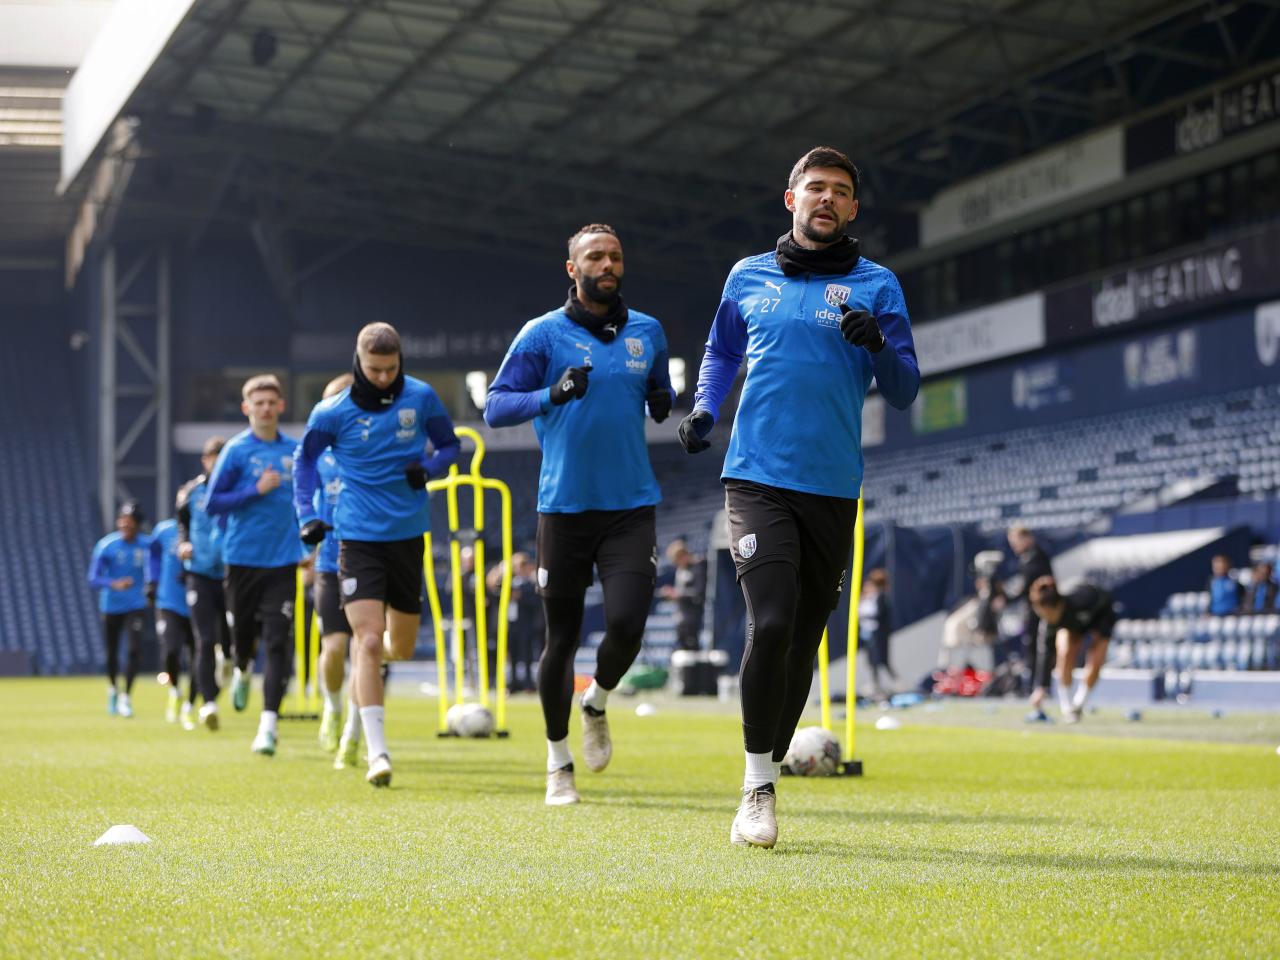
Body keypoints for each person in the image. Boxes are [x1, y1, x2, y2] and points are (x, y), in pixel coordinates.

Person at [678, 146, 919, 848]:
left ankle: (770, 757)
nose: (827, 199)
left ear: (853, 208)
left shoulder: (879, 285)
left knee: (805, 639)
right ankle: (757, 786)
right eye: (815, 187)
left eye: (841, 191)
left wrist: (878, 344)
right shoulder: (748, 275)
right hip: (755, 477)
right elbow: (722, 350)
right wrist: (704, 407)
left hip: (833, 488)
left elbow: (905, 391)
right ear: (791, 199)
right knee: (773, 622)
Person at [485, 223, 674, 806]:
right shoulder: (543, 334)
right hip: (564, 509)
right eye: (595, 255)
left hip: (630, 507)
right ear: (573, 268)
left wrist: (664, 401)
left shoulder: (648, 330)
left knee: (626, 626)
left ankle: (596, 700)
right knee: (560, 639)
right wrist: (551, 395)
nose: (608, 262)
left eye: (616, 254)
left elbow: (657, 389)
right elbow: (495, 407)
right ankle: (557, 762)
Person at [294, 323, 460, 787]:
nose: (384, 377)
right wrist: (305, 512)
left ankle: (364, 684)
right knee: (365, 640)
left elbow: (450, 445)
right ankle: (377, 753)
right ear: (358, 362)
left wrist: (427, 468)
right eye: (374, 369)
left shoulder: (422, 396)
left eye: (390, 368)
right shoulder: (332, 412)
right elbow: (304, 461)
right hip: (357, 537)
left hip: (407, 535)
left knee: (396, 647)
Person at [205, 374, 305, 757]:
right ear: (247, 408)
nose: (265, 408)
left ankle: (268, 727)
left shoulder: (295, 452)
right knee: (242, 641)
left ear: (281, 406)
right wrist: (254, 491)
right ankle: (242, 669)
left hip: (283, 561)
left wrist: (307, 539)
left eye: (271, 402)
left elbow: (304, 500)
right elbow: (213, 503)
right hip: (242, 559)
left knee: (278, 641)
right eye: (257, 403)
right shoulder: (235, 451)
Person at [308, 373, 361, 763]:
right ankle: (333, 706)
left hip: (371, 557)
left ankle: (357, 729)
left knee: (366, 647)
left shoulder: (371, 448)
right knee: (335, 647)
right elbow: (303, 504)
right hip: (329, 563)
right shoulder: (316, 458)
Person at [176, 436, 232, 730]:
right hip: (198, 572)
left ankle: (230, 659)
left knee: (232, 639)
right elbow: (182, 524)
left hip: (232, 572)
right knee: (204, 640)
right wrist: (183, 544)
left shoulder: (237, 490)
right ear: (205, 460)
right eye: (213, 457)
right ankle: (208, 703)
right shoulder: (191, 492)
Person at [86, 502, 151, 719]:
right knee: (112, 652)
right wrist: (114, 584)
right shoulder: (106, 546)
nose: (125, 525)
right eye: (122, 520)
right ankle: (113, 688)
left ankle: (126, 697)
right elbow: (93, 578)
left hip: (136, 605)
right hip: (111, 605)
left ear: (137, 525)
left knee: (134, 650)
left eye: (130, 522)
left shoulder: (148, 546)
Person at [1029, 576, 1117, 723]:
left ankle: (1080, 703)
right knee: (1064, 653)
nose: (1044, 618)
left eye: (1046, 613)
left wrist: (1098, 633)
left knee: (1096, 661)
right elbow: (1044, 653)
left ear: (1057, 606)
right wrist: (1041, 687)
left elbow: (1106, 602)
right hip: (1072, 627)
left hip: (1100, 618)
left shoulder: (1083, 599)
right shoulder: (1048, 623)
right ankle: (1068, 707)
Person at [148, 516, 197, 730]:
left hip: (197, 602)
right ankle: (175, 691)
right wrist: (152, 580)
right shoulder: (163, 530)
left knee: (198, 655)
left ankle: (190, 706)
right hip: (168, 602)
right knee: (170, 650)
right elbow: (153, 554)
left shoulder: (203, 527)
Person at [1007, 527, 1055, 722]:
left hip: (1040, 612)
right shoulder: (1028, 557)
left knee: (1039, 649)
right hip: (1032, 611)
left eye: (1016, 541)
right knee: (1032, 649)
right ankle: (1035, 687)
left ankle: (1039, 688)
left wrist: (1009, 596)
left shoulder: (1036, 557)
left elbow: (1030, 586)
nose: (1014, 546)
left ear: (1027, 538)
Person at [500, 552, 543, 693]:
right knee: (511, 655)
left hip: (526, 625)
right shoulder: (508, 582)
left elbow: (536, 603)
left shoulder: (531, 584)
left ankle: (528, 683)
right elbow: (491, 585)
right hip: (511, 624)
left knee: (527, 655)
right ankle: (512, 683)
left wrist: (521, 597)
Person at [660, 539, 707, 651]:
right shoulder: (680, 570)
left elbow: (699, 592)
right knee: (682, 646)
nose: (676, 564)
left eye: (677, 560)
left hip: (693, 616)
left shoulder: (697, 567)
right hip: (681, 616)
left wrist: (678, 594)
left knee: (692, 647)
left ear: (684, 555)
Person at [858, 568, 894, 698]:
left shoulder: (881, 598)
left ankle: (894, 682)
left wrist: (867, 617)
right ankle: (875, 684)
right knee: (872, 661)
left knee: (882, 660)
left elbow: (879, 615)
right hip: (867, 633)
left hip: (878, 634)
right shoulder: (866, 598)